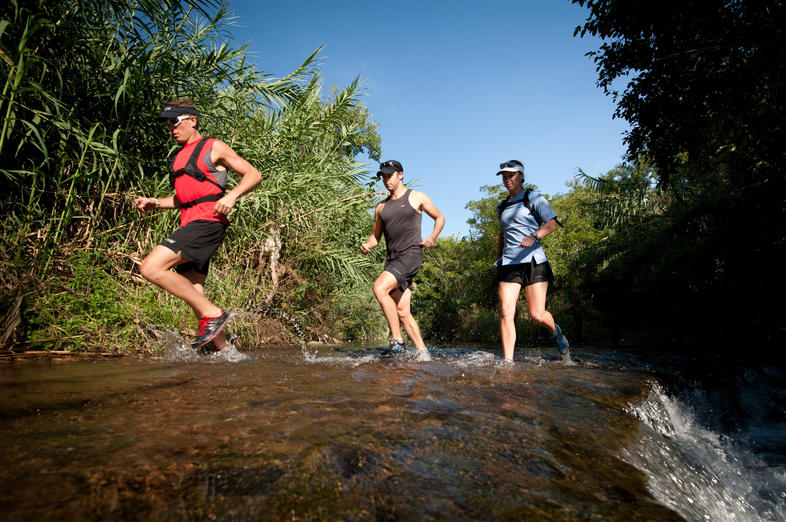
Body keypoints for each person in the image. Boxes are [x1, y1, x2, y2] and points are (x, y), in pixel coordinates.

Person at [135, 99, 262, 350]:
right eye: (168, 124)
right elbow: (184, 199)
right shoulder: (178, 157)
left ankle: (215, 314)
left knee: (150, 268)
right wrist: (155, 203)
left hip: (208, 223)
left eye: (175, 121)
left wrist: (231, 196)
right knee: (195, 291)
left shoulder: (213, 147)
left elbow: (253, 174)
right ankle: (226, 353)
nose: (172, 128)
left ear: (192, 120)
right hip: (190, 222)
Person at [360, 160, 445, 360]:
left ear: (401, 175)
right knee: (402, 311)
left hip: (411, 255)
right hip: (392, 260)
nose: (386, 180)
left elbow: (440, 217)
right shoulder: (381, 207)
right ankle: (424, 354)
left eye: (390, 175)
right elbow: (376, 237)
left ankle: (397, 341)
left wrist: (432, 237)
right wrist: (368, 245)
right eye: (383, 176)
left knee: (379, 288)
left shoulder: (416, 197)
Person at [495, 159, 569, 363]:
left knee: (537, 314)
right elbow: (502, 235)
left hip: (533, 261)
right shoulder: (502, 206)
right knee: (505, 310)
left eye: (511, 175)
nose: (507, 179)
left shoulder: (532, 197)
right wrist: (498, 260)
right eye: (504, 176)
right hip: (509, 263)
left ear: (521, 176)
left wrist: (535, 236)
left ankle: (558, 335)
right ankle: (508, 361)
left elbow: (552, 224)